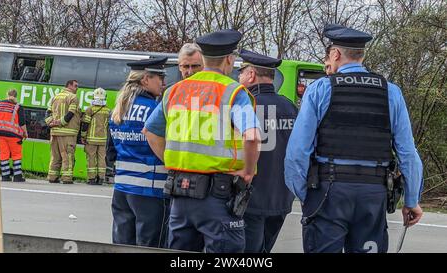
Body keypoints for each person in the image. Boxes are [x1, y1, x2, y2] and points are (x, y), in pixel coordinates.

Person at [284, 24, 424, 253]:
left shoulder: (320, 89)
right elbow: (408, 153)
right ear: (361, 55)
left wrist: (305, 194)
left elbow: (297, 152)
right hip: (373, 193)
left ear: (336, 54)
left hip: (328, 191)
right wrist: (411, 200)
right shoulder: (391, 92)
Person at [145, 29, 262, 253]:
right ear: (229, 59)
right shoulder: (233, 92)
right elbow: (252, 135)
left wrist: (176, 161)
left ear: (204, 59)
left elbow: (150, 131)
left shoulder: (174, 91)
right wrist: (247, 172)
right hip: (218, 197)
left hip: (180, 194)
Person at [237, 49, 297, 253]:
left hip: (250, 198)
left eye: (241, 71)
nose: (239, 76)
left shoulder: (246, 106)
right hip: (281, 198)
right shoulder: (290, 107)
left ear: (251, 74)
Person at [108, 57, 170, 247]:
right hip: (150, 191)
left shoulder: (119, 109)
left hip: (121, 189)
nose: (164, 83)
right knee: (149, 246)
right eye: (159, 77)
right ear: (146, 80)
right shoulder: (157, 110)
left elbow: (110, 153)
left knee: (122, 245)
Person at [45, 80, 81, 184]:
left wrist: (50, 123)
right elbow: (71, 113)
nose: (77, 88)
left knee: (55, 156)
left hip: (54, 133)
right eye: (75, 86)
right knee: (68, 157)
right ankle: (66, 178)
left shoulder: (55, 97)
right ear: (69, 85)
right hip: (67, 133)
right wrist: (59, 122)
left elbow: (47, 112)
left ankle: (52, 177)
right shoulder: (73, 97)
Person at [81, 87, 111, 185]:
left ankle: (91, 179)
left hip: (91, 139)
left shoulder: (90, 109)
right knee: (102, 158)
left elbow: (85, 124)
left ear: (94, 96)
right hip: (103, 140)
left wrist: (83, 136)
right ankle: (101, 178)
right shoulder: (107, 110)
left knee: (91, 158)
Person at [0, 89, 28, 182]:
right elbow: (22, 123)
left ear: (7, 95)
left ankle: (5, 176)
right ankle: (17, 176)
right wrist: (25, 133)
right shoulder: (18, 106)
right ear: (16, 96)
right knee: (16, 154)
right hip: (13, 135)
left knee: (4, 154)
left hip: (0, 133)